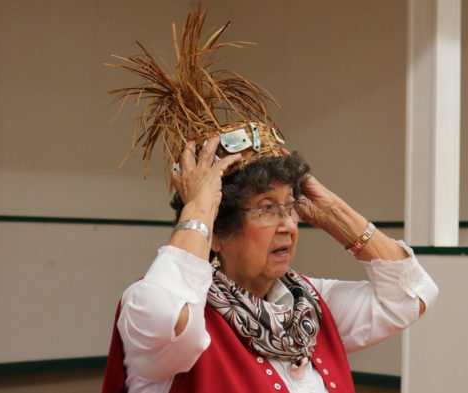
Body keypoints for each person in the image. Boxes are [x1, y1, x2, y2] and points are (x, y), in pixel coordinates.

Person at [101, 8, 438, 392]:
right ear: (217, 231)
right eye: (266, 208)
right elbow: (166, 317)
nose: (288, 224)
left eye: (289, 206)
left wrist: (333, 213)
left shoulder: (309, 304)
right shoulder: (171, 312)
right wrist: (197, 209)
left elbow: (413, 295)